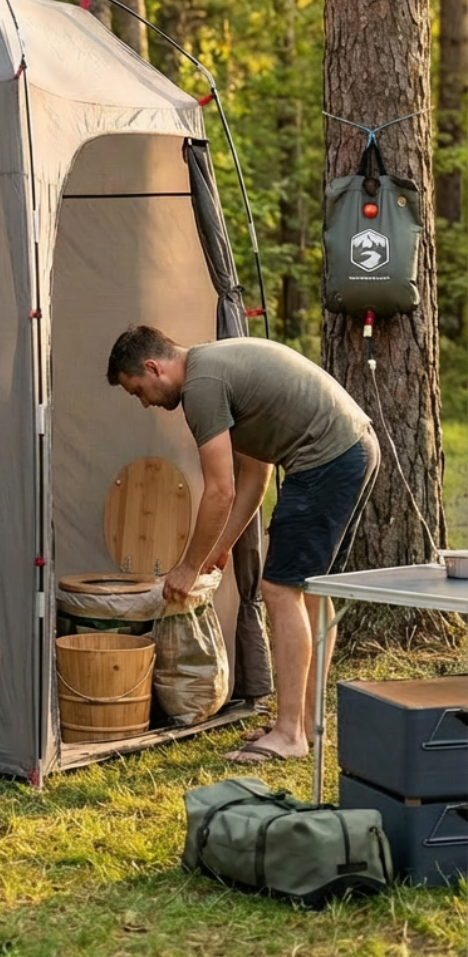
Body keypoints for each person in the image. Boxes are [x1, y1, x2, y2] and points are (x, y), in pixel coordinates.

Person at [107, 324, 380, 765]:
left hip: (326, 458)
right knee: (310, 590)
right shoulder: (217, 369)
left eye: (138, 390)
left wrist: (187, 567)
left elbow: (220, 491)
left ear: (153, 367)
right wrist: (222, 546)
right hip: (354, 446)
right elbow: (256, 475)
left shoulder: (201, 387)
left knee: (279, 589)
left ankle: (291, 733)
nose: (144, 402)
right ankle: (305, 724)